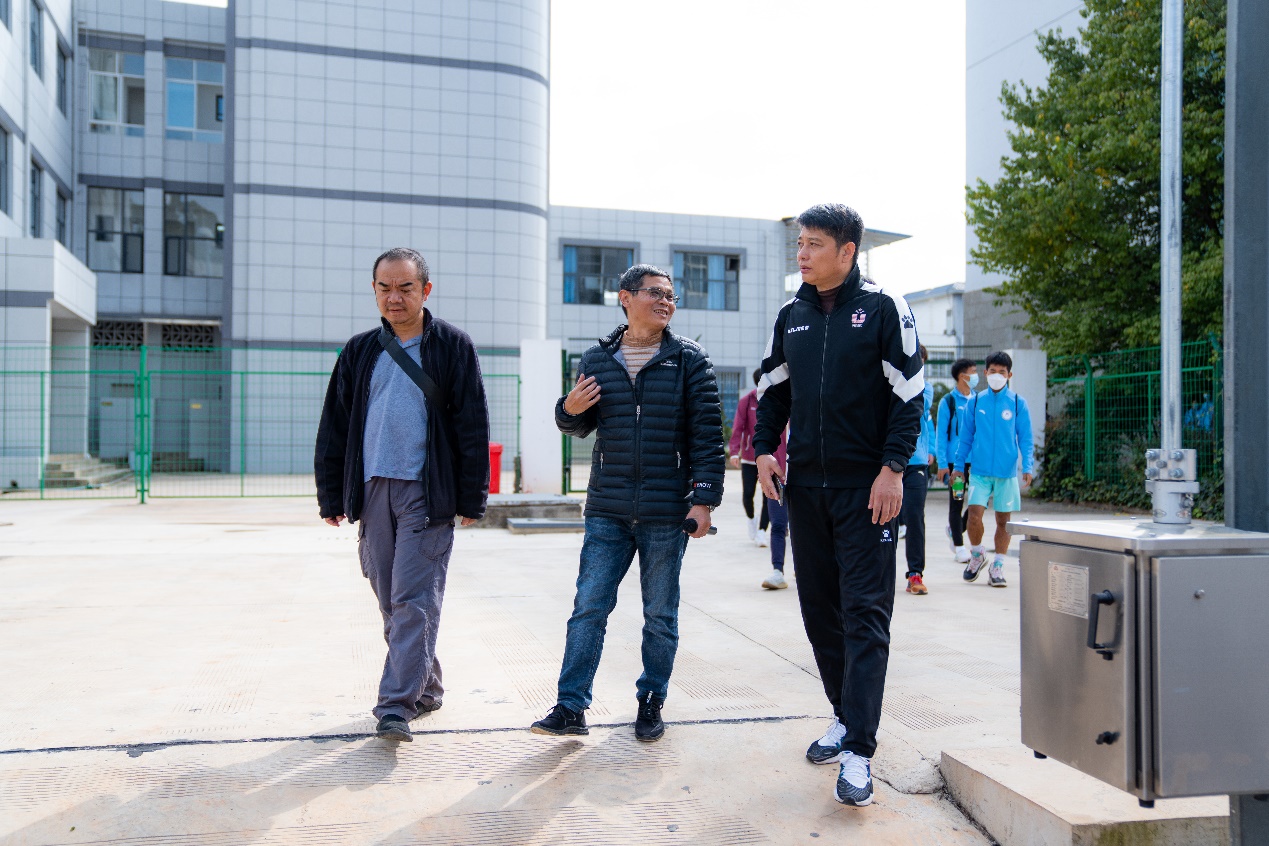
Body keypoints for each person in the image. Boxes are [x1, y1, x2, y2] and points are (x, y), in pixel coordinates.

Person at [753, 203, 924, 807]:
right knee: (819, 612)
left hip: (867, 491)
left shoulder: (884, 308)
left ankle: (860, 752)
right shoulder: (791, 315)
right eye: (800, 243)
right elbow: (773, 390)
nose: (802, 253)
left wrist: (892, 469)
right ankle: (844, 714)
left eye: (815, 244)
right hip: (806, 490)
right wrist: (763, 449)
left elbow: (909, 396)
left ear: (848, 251)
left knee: (865, 615)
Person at [531, 264, 725, 743]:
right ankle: (570, 706)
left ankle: (651, 700)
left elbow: (707, 437)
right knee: (588, 608)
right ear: (625, 297)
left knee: (659, 615)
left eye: (671, 296)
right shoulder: (597, 359)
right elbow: (577, 424)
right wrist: (567, 410)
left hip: (666, 512)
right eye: (655, 293)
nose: (665, 302)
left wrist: (703, 501)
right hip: (608, 510)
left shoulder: (688, 359)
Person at [315, 247, 490, 743]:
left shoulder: (452, 346)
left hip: (426, 492)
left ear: (425, 290)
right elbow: (335, 424)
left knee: (414, 599)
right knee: (392, 599)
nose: (394, 297)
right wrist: (331, 495)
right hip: (373, 490)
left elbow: (472, 423)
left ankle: (395, 705)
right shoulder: (359, 350)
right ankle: (426, 686)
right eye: (385, 287)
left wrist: (471, 497)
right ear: (374, 290)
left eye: (405, 287)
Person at [951, 350, 1034, 588]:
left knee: (1003, 521)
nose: (997, 375)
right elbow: (965, 437)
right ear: (986, 372)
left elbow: (1026, 438)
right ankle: (977, 554)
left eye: (1002, 372)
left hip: (1006, 473)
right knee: (974, 515)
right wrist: (958, 467)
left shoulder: (1017, 403)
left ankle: (998, 565)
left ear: (1009, 375)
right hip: (979, 471)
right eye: (993, 371)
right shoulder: (976, 402)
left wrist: (1027, 466)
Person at [935, 358, 979, 564]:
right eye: (973, 371)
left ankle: (956, 528)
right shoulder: (948, 402)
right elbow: (941, 435)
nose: (976, 375)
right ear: (962, 376)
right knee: (957, 501)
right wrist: (942, 464)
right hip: (956, 465)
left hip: (977, 462)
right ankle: (959, 547)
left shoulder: (978, 400)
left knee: (979, 501)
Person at [900, 345, 935, 595]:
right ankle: (878, 572)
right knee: (882, 520)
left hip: (915, 464)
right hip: (885, 463)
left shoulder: (926, 387)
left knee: (914, 516)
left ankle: (915, 573)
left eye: (920, 359)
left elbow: (919, 406)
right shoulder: (886, 381)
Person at [729, 369, 771, 546]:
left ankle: (762, 531)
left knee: (769, 496)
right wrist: (734, 452)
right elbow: (738, 427)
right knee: (748, 495)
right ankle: (752, 519)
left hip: (769, 457)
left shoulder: (775, 400)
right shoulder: (747, 401)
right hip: (749, 457)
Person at [758, 430, 790, 590]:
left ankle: (806, 567)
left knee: (805, 529)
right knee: (777, 525)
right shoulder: (775, 419)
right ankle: (777, 571)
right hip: (777, 478)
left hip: (807, 481)